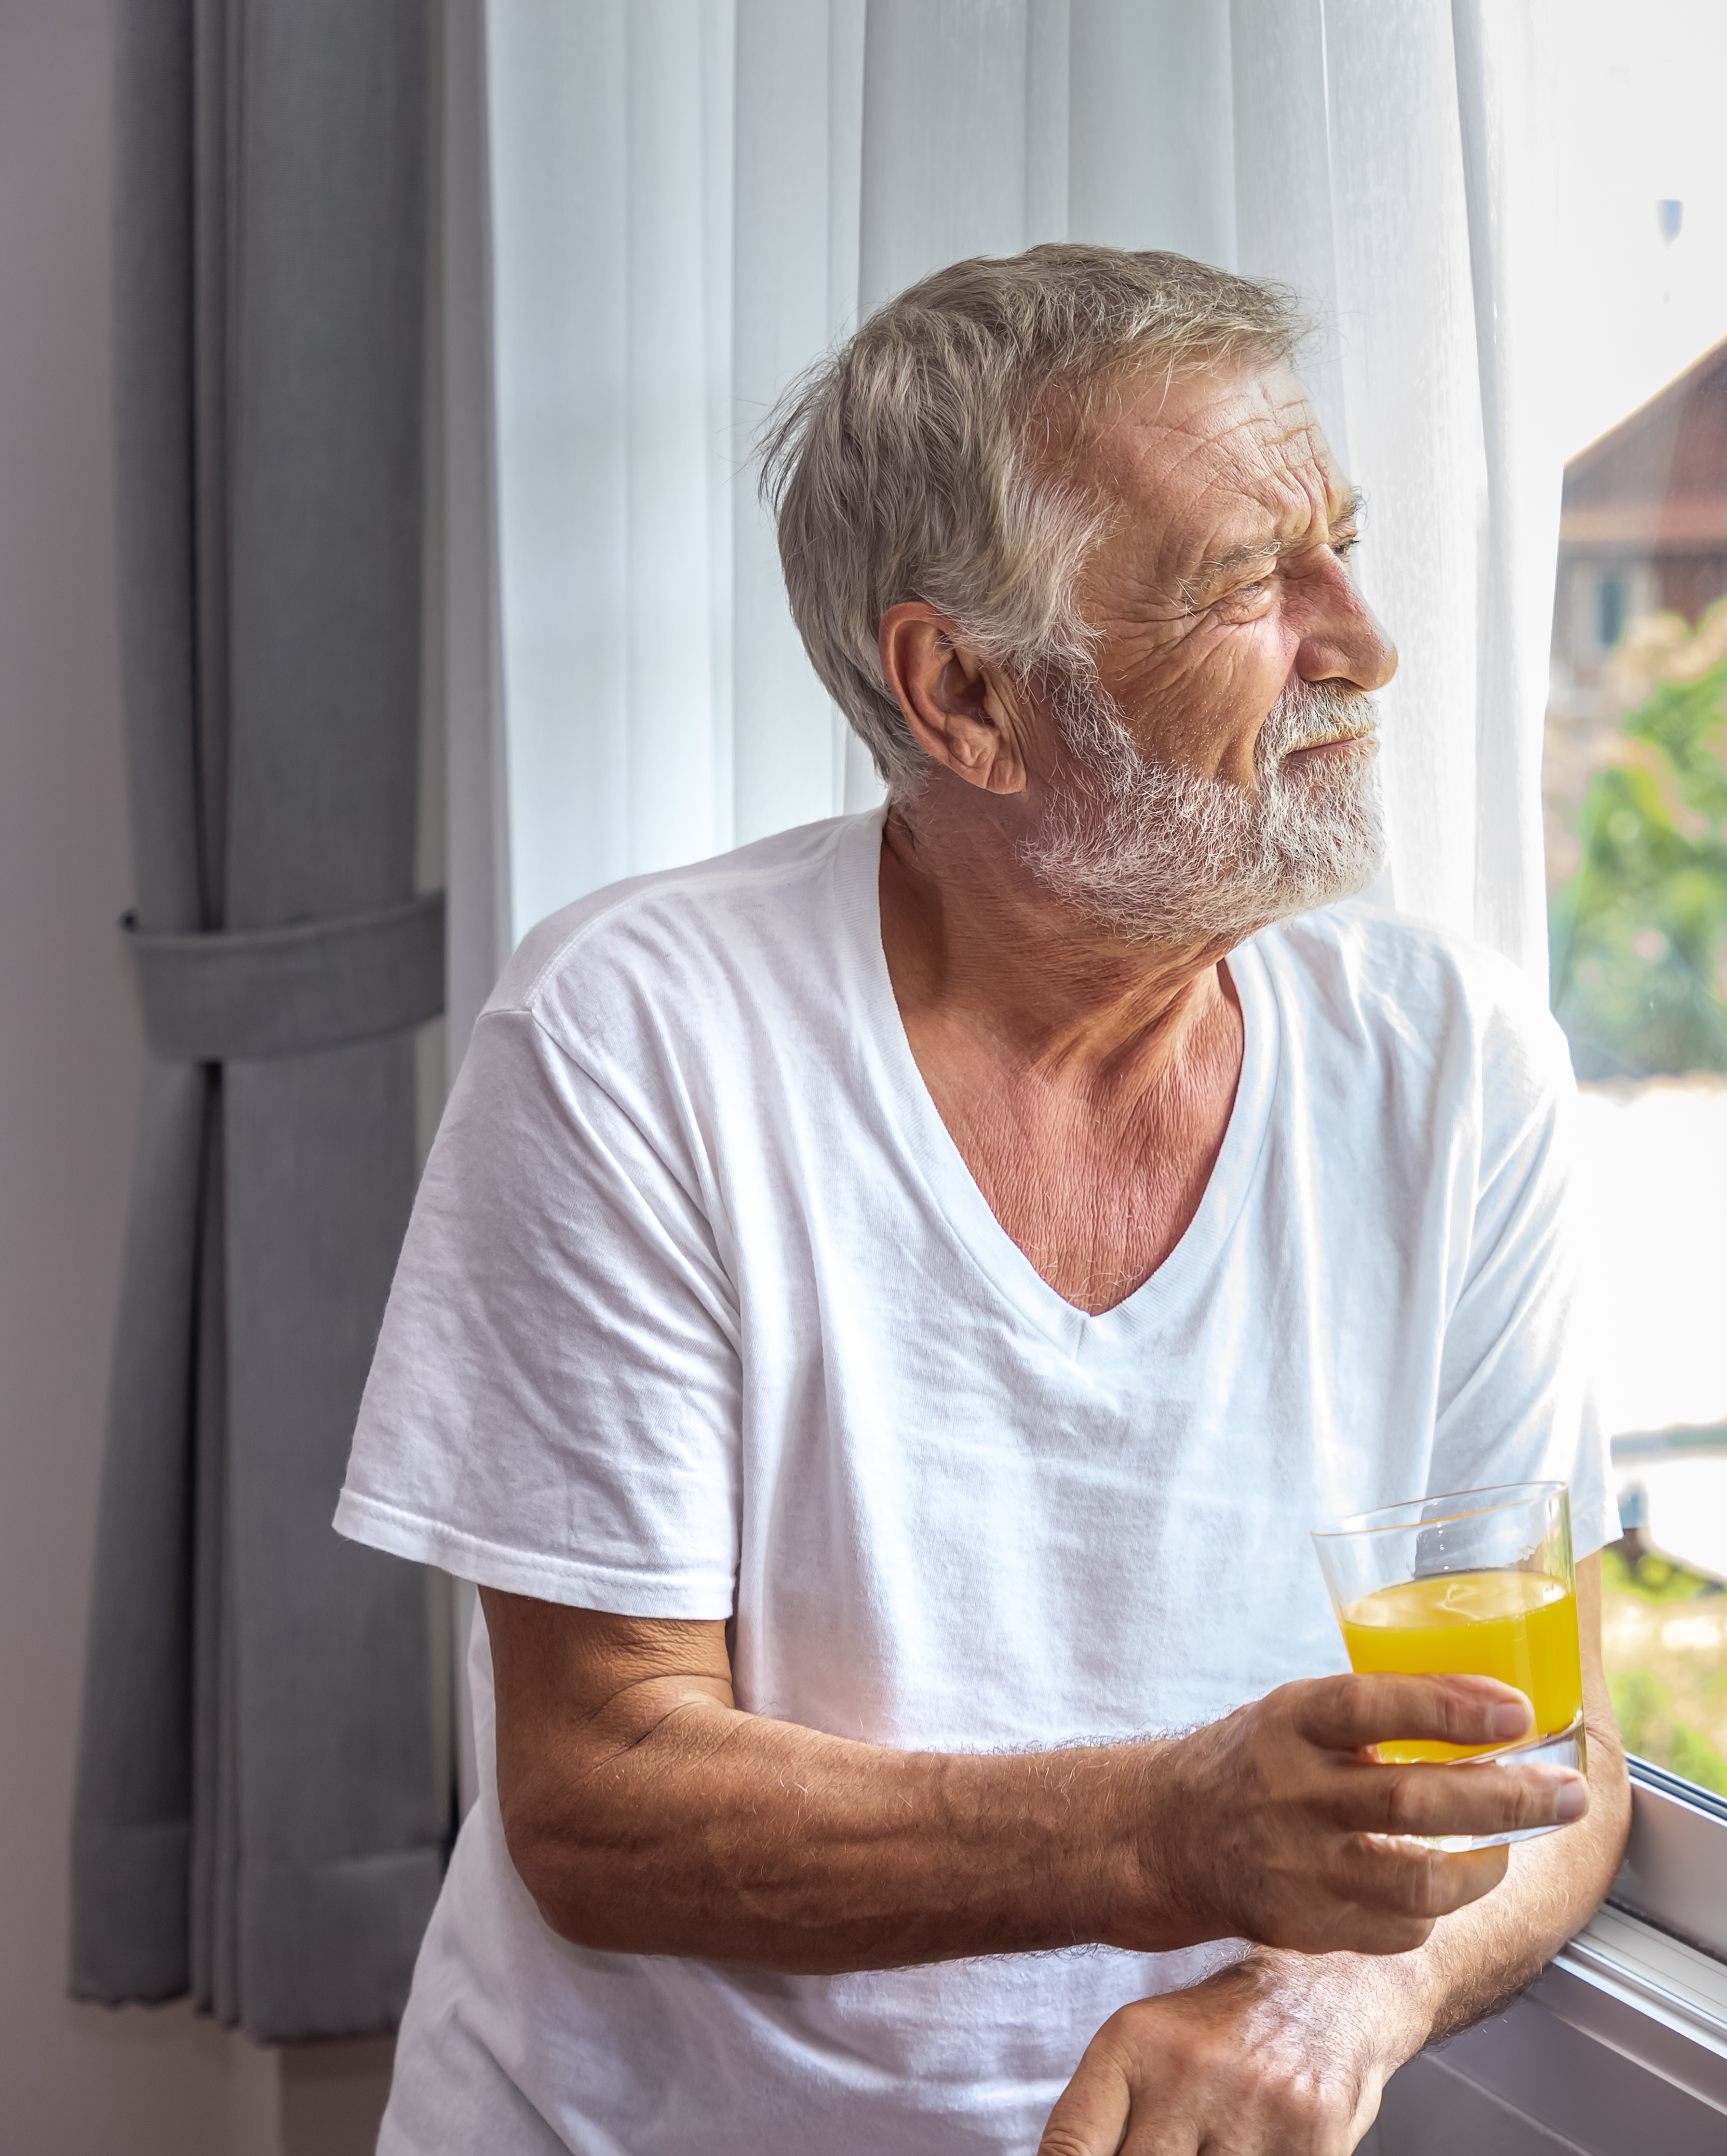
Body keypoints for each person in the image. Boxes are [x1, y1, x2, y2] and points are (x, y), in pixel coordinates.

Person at [334, 243, 1625, 2155]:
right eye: (1246, 579)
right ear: (968, 695)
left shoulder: (1453, 1067)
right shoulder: (635, 1036)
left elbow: (1561, 1761)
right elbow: (601, 1795)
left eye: (1340, 542)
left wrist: (1340, 1994)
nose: (1359, 635)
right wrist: (1161, 1832)